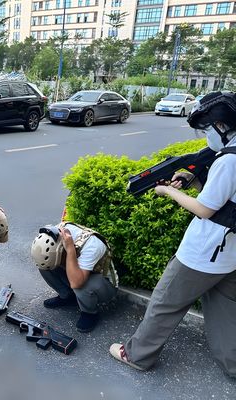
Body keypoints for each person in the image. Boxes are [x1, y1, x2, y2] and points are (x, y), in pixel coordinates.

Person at [110, 91, 236, 378]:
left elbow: (205, 209)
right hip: (229, 254)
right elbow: (226, 203)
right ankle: (233, 364)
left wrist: (168, 191)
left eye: (206, 130)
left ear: (221, 126)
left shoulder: (228, 162)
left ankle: (137, 355)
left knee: (164, 303)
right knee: (226, 311)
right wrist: (194, 180)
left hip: (204, 253)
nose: (205, 136)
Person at [30, 222, 118, 333]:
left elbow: (77, 282)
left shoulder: (92, 246)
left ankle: (89, 313)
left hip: (105, 284)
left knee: (80, 285)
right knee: (45, 265)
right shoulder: (55, 233)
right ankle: (67, 296)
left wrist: (70, 249)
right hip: (79, 271)